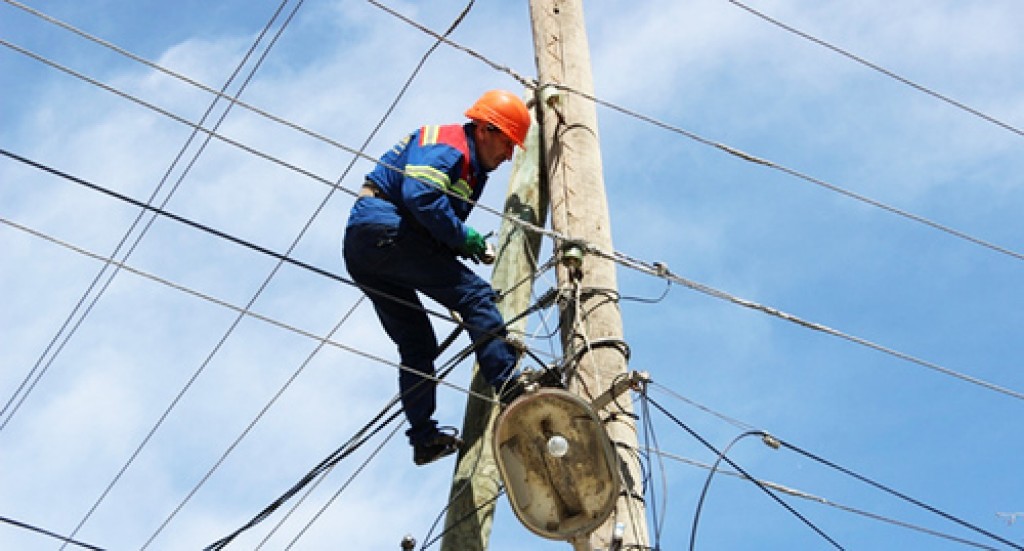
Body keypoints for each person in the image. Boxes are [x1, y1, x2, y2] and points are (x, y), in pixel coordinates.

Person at [342, 90, 530, 466]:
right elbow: (422, 198)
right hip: (385, 230)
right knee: (477, 297)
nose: (508, 155)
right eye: (507, 143)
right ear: (485, 128)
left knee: (418, 348)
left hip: (367, 245)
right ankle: (510, 387)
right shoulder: (451, 146)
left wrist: (460, 248)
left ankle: (424, 439)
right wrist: (466, 240)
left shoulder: (469, 165)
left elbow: (429, 225)